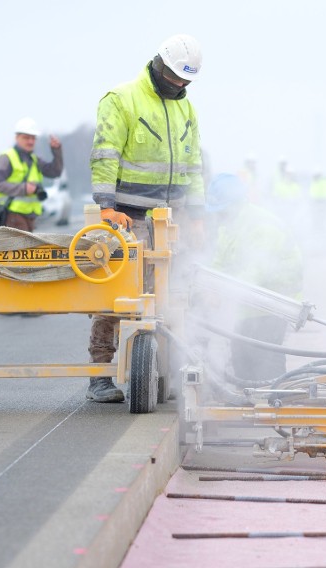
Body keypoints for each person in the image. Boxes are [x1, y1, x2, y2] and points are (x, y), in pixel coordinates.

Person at [87, 34, 204, 403]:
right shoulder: (121, 99)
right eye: (175, 79)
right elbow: (105, 154)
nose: (180, 86)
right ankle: (100, 376)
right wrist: (106, 205)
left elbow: (194, 165)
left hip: (169, 217)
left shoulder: (185, 108)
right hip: (127, 215)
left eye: (186, 81)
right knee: (119, 296)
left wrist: (196, 215)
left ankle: (161, 372)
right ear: (159, 66)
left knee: (170, 296)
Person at [204, 173, 302, 380]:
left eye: (222, 211)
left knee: (265, 356)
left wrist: (223, 292)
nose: (219, 216)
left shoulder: (262, 226)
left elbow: (255, 271)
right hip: (247, 303)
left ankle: (273, 399)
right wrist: (209, 288)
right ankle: (248, 399)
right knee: (241, 356)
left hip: (273, 302)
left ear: (236, 204)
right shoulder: (229, 227)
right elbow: (219, 264)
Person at [0, 117, 63, 232]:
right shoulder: (7, 157)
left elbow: (55, 172)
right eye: (26, 137)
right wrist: (23, 188)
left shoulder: (34, 159)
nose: (30, 141)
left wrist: (56, 150)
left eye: (33, 138)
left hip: (30, 217)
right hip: (12, 216)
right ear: (17, 137)